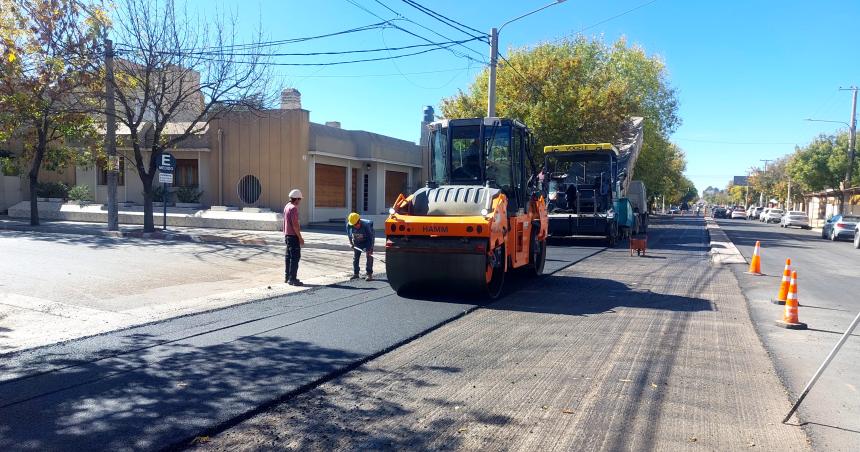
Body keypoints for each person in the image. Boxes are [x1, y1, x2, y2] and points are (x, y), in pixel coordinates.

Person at [283, 189, 305, 286]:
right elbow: (295, 225)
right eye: (299, 199)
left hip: (287, 235)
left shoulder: (287, 206)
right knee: (295, 257)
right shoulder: (293, 208)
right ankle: (292, 279)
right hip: (293, 236)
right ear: (296, 199)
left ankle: (287, 277)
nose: (300, 201)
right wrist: (300, 237)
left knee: (288, 257)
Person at [346, 212, 375, 281]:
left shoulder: (366, 225)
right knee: (356, 257)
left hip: (367, 240)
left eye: (356, 224)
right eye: (353, 225)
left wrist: (369, 249)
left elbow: (370, 238)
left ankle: (369, 274)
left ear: (359, 221)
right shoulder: (349, 225)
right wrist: (351, 243)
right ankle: (356, 273)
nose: (355, 226)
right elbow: (349, 235)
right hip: (357, 241)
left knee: (369, 256)